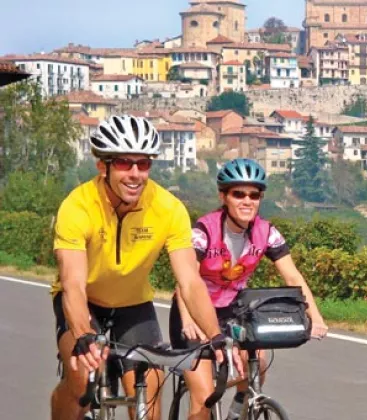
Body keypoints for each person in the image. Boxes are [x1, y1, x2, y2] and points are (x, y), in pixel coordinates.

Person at [51, 115, 240, 420]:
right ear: (104, 166)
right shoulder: (77, 206)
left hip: (134, 306)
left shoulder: (168, 208)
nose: (136, 174)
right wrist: (83, 335)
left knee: (149, 403)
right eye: (125, 163)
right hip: (84, 302)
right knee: (80, 380)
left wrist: (215, 336)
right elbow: (73, 283)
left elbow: (191, 281)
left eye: (144, 163)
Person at [169, 158, 329, 420]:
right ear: (224, 196)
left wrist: (316, 316)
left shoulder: (267, 232)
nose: (247, 201)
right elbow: (186, 280)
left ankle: (236, 412)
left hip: (233, 309)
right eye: (238, 193)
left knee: (257, 366)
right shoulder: (204, 230)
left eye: (254, 195)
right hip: (195, 310)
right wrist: (188, 320)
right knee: (203, 399)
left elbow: (292, 276)